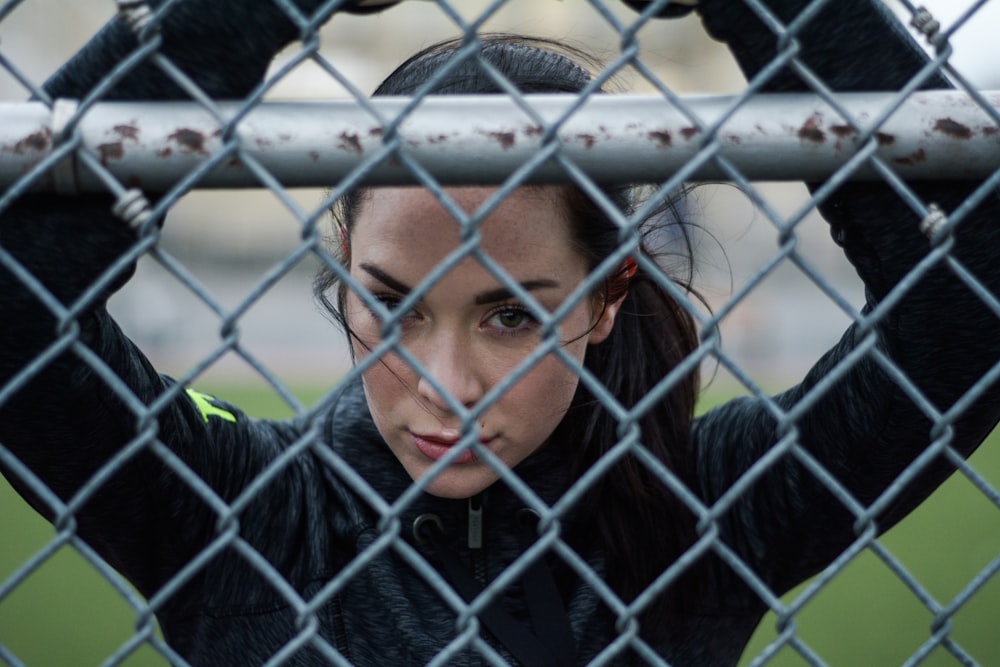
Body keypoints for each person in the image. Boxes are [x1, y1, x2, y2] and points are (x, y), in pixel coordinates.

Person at [1, 0, 998, 665]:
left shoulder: (697, 509)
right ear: (344, 263)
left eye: (512, 313)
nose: (447, 384)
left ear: (606, 297)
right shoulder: (242, 510)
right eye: (394, 302)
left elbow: (968, 299)